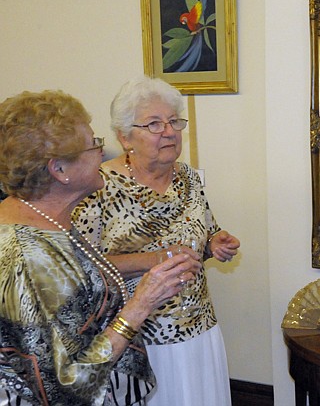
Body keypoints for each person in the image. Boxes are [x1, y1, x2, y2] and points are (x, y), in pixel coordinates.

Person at [0, 90, 200, 405]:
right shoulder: (27, 259)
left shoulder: (49, 220)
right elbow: (66, 386)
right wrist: (141, 304)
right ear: (59, 170)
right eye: (93, 144)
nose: (103, 153)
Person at [73, 75, 240, 406]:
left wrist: (215, 243)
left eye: (174, 121)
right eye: (154, 123)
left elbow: (203, 235)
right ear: (125, 136)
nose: (169, 131)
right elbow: (80, 268)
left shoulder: (189, 178)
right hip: (137, 339)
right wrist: (154, 259)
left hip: (198, 330)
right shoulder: (98, 186)